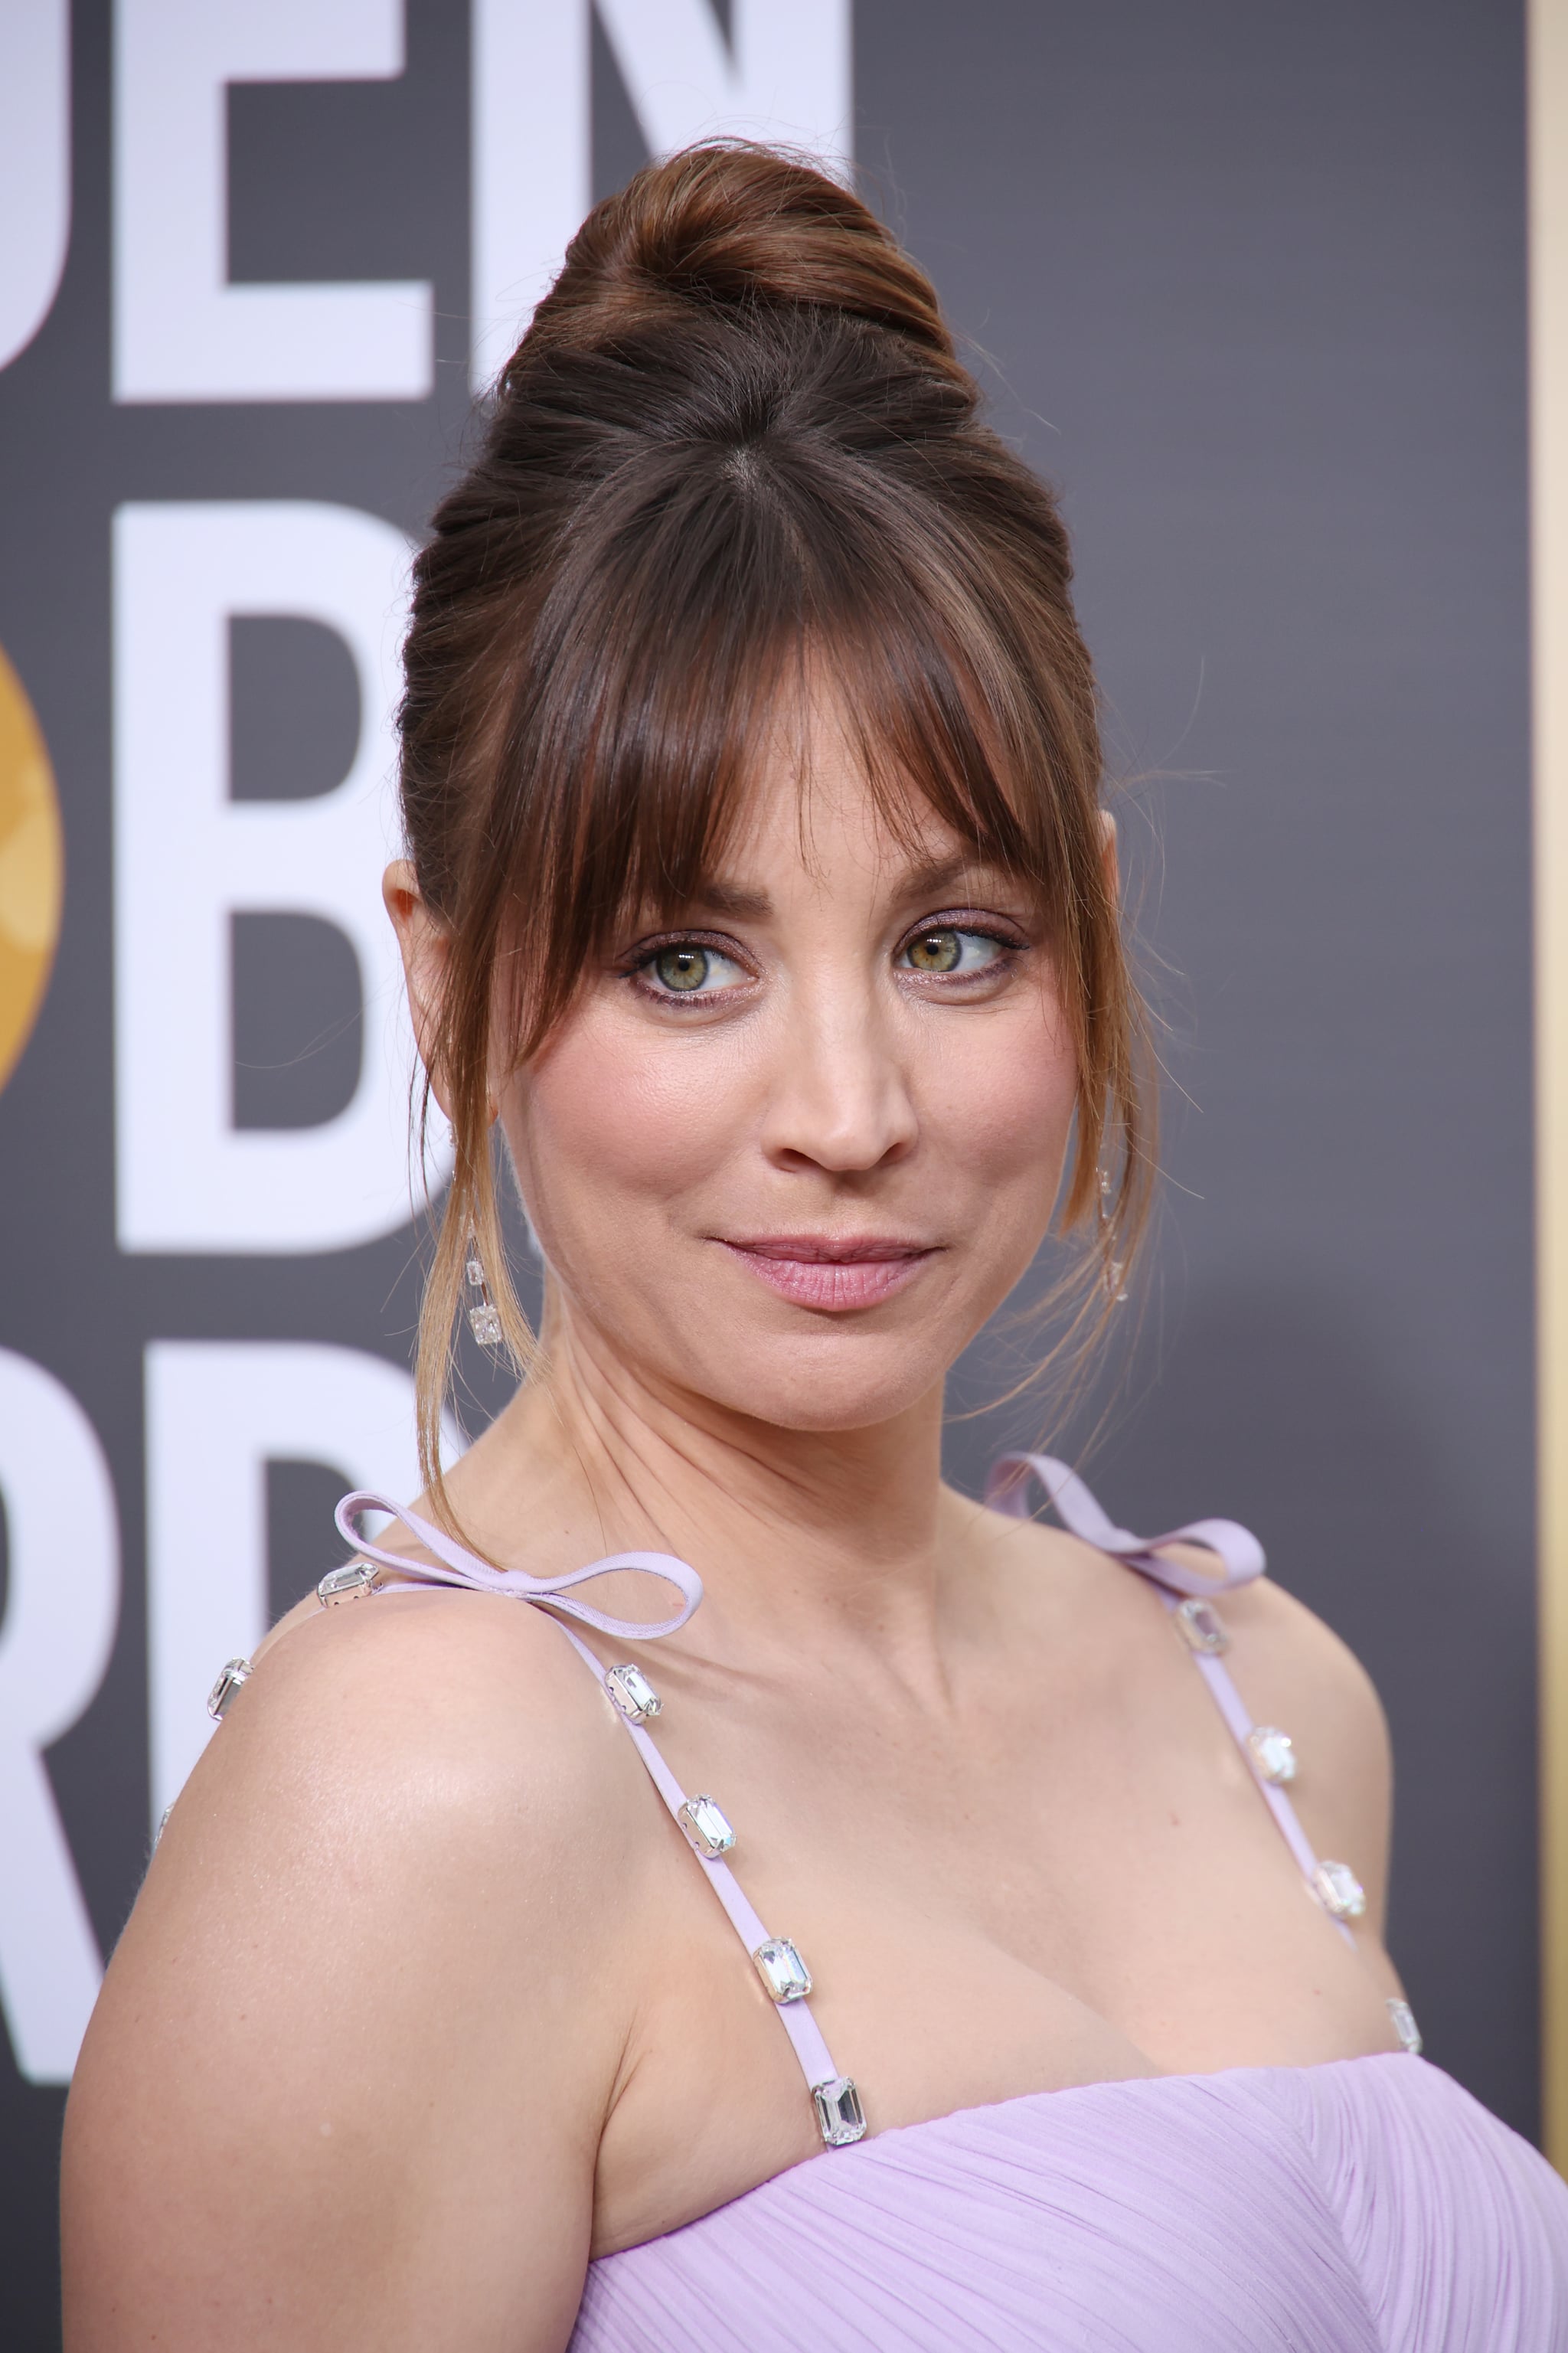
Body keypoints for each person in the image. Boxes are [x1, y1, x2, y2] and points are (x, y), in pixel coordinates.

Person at [61, 143, 1568, 2351]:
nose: (851, 1112)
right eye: (688, 960)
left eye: (958, 942)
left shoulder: (1277, 1698)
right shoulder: (404, 1811)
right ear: (454, 980)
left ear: (1102, 936)